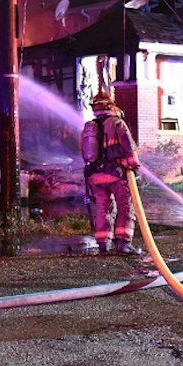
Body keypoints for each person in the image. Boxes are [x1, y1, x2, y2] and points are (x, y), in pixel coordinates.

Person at [80, 91, 142, 255]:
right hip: (115, 173)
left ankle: (103, 244)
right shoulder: (117, 123)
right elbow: (130, 148)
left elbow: (85, 153)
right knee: (125, 207)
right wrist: (135, 168)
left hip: (95, 176)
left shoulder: (89, 127)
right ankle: (123, 243)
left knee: (103, 208)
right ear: (110, 105)